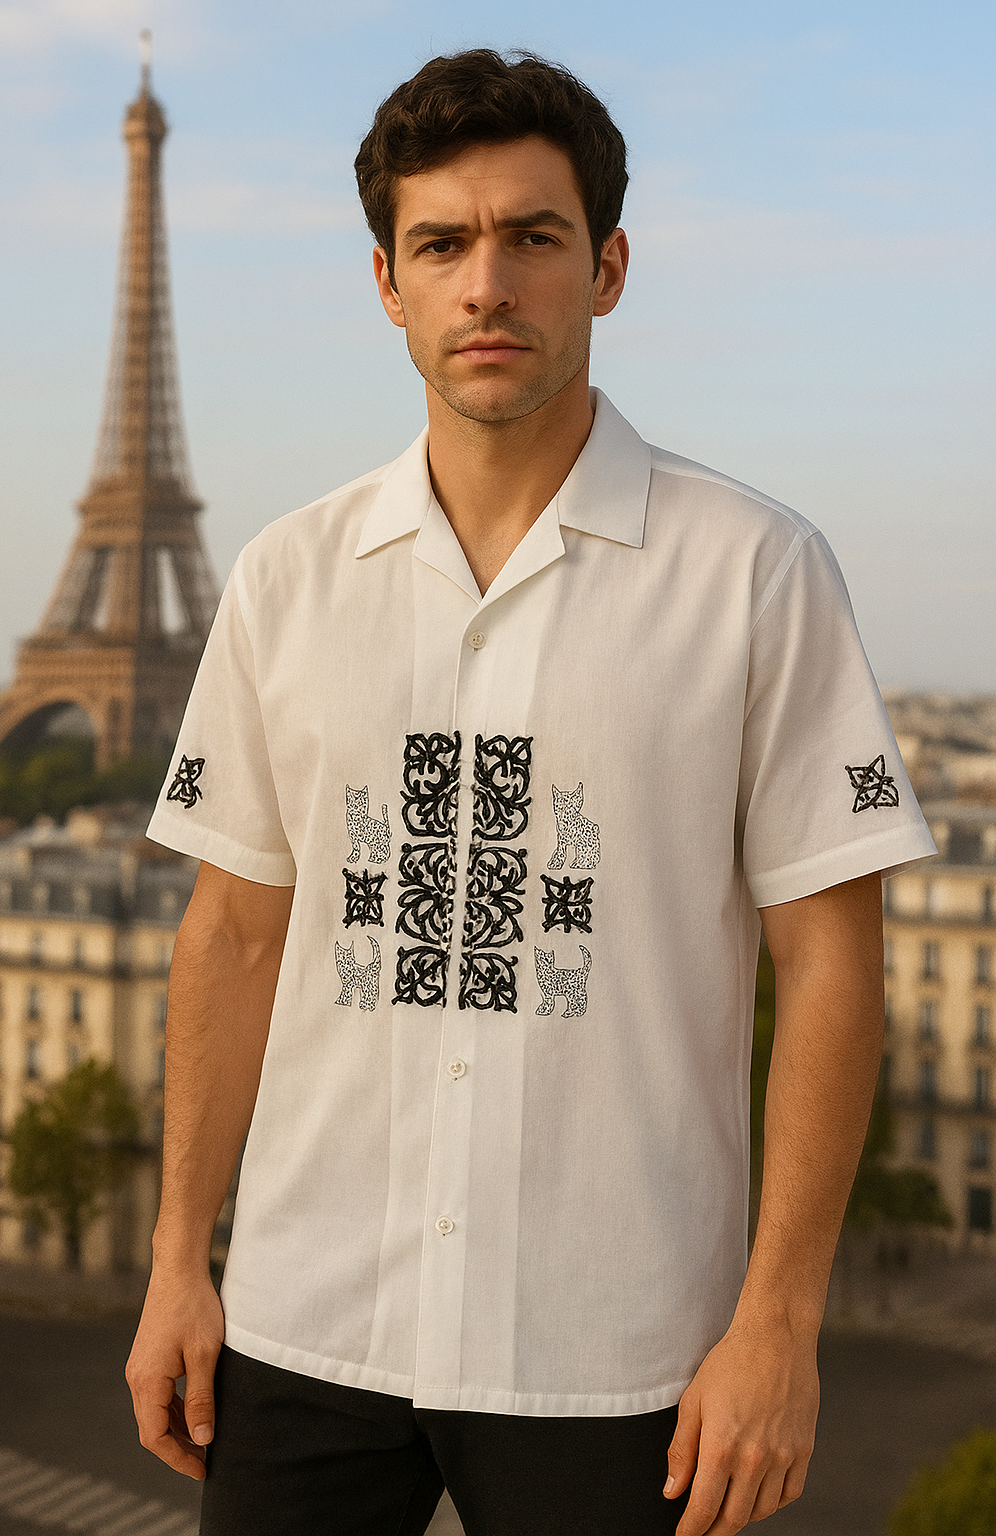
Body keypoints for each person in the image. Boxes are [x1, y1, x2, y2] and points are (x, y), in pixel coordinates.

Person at [126, 49, 935, 1536]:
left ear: (608, 268)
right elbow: (234, 932)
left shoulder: (756, 573)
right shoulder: (285, 580)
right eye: (442, 245)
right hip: (307, 1323)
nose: (484, 284)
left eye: (532, 239)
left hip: (620, 1348)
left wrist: (781, 1324)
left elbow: (834, 962)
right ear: (387, 283)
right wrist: (182, 1255)